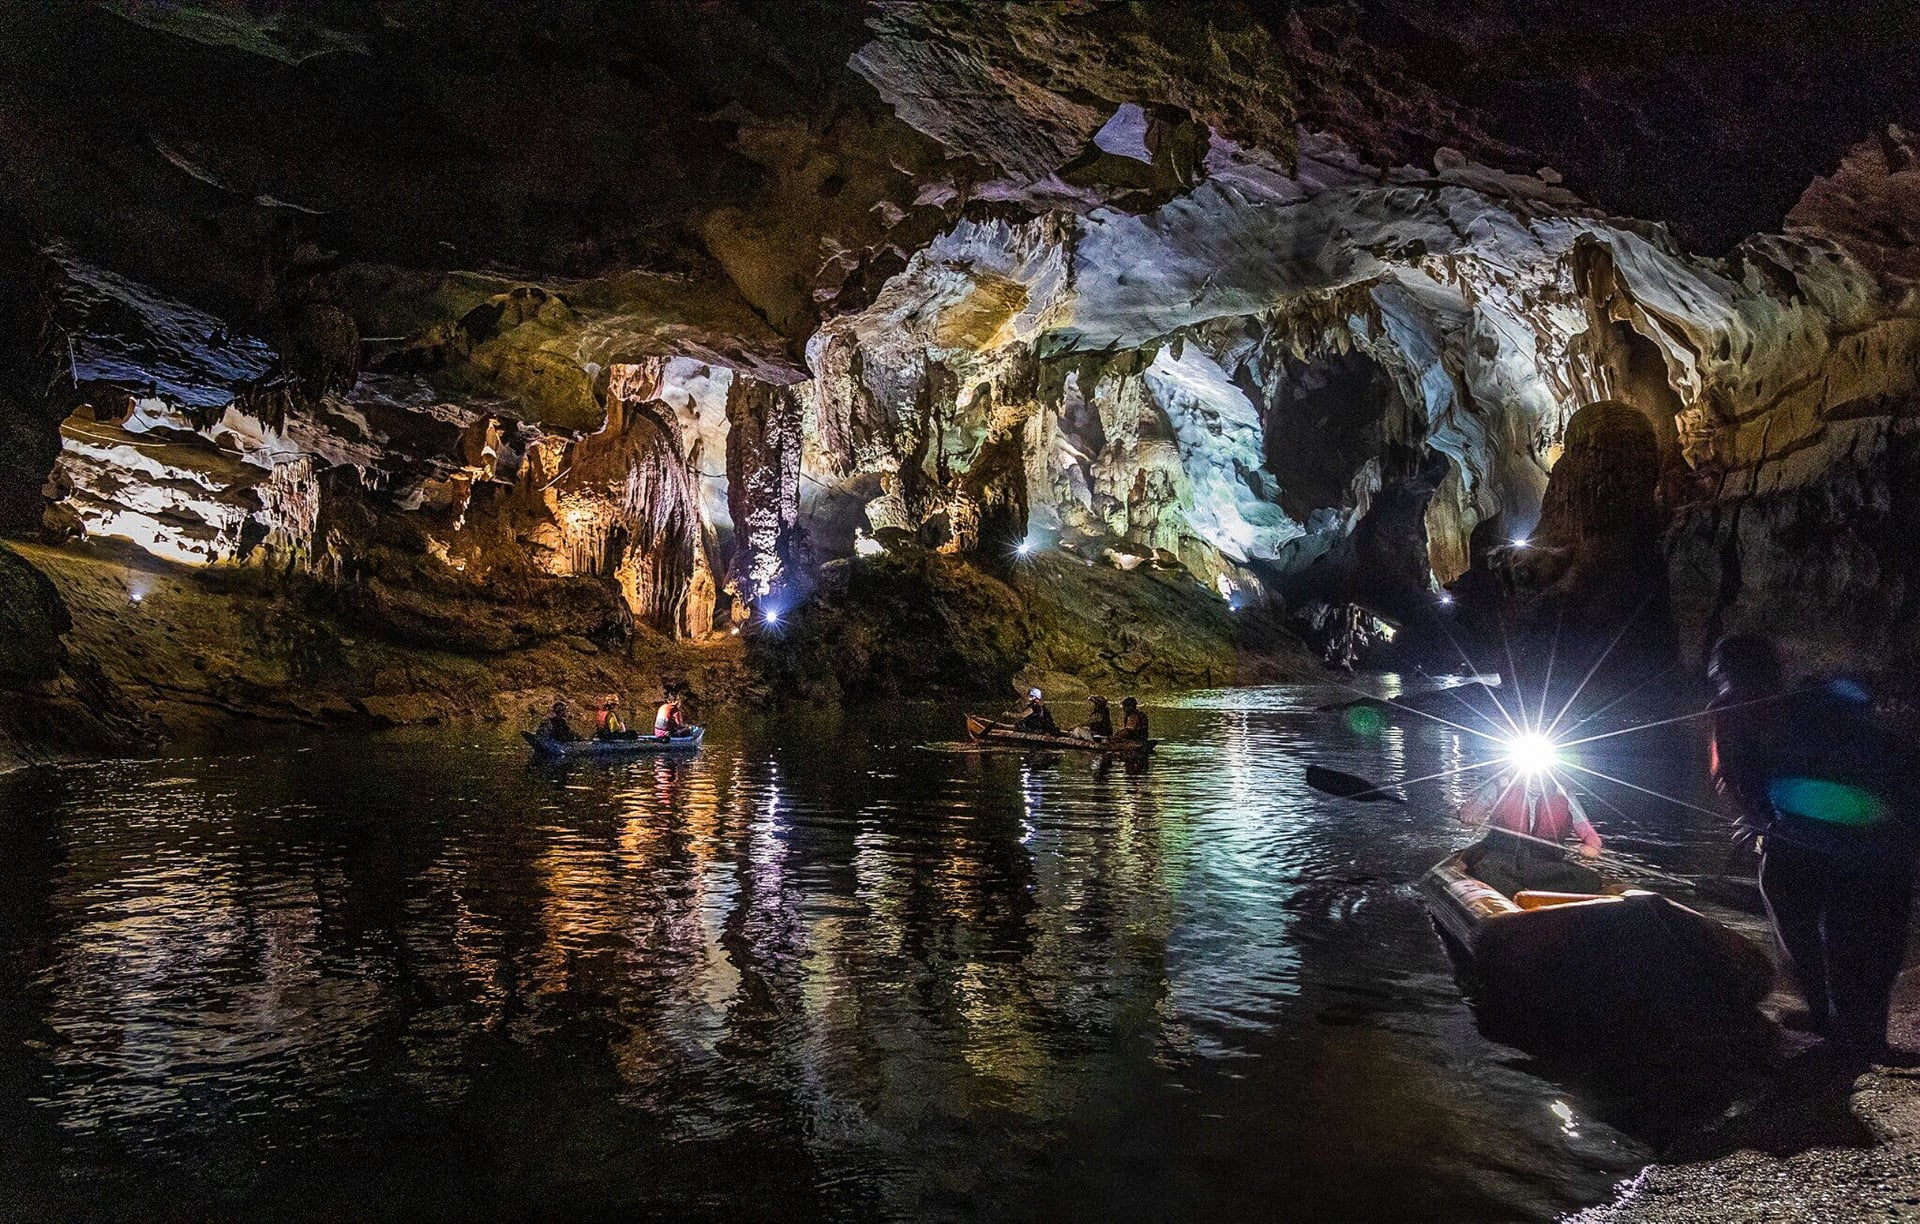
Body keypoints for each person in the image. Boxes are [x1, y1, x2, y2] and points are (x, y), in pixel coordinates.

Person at [1708, 633, 1918, 1050]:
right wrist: (1761, 820)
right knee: (1803, 927)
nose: (1730, 692)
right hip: (1801, 842)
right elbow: (1740, 781)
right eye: (1724, 682)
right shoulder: (1733, 716)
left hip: (1862, 843)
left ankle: (1855, 1035)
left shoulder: (1820, 712)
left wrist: (1783, 820)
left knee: (1851, 940)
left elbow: (1871, 787)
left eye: (1736, 680)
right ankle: (1832, 1020)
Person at [1458, 766, 1604, 896]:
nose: (1536, 776)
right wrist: (1469, 813)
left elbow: (1589, 834)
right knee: (1485, 868)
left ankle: (1530, 893)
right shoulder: (1501, 786)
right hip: (1502, 856)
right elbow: (1472, 808)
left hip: (1543, 862)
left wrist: (1592, 847)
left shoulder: (1564, 794)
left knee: (1590, 879)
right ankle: (1518, 895)